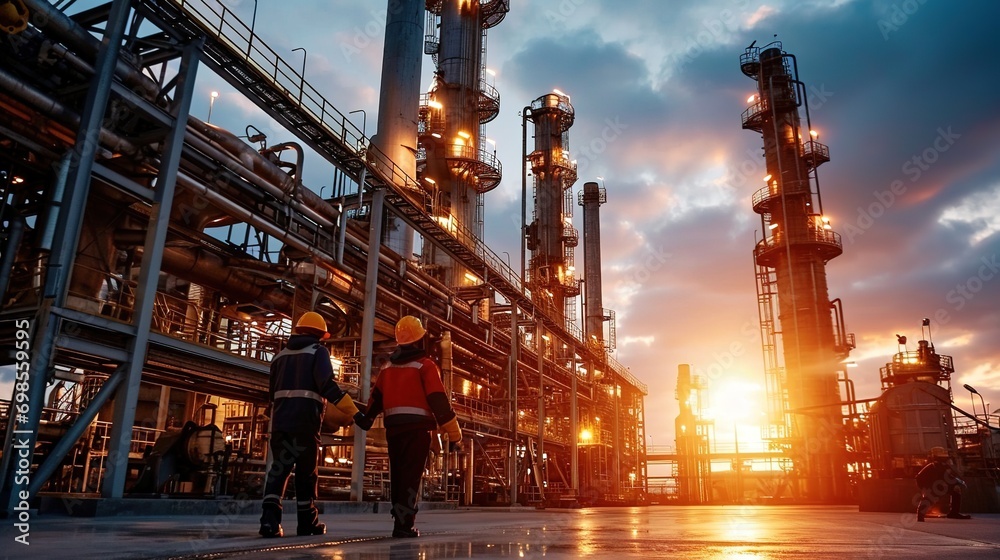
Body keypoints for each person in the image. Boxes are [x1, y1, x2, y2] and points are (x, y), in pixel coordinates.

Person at [259, 311, 373, 538]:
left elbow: (271, 394)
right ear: (320, 335)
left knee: (278, 473)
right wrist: (356, 414)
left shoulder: (279, 356)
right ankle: (307, 524)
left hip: (280, 424)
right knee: (306, 475)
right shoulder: (318, 352)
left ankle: (268, 523)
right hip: (305, 424)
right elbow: (328, 387)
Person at [362, 315, 462, 538]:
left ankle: (399, 518)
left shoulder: (387, 367)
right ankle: (404, 524)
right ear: (420, 341)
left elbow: (375, 399)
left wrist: (366, 419)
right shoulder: (425, 366)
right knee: (411, 476)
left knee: (398, 474)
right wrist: (455, 434)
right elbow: (439, 401)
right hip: (417, 431)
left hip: (394, 430)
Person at [915, 446, 970, 521]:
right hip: (930, 485)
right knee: (929, 496)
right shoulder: (934, 466)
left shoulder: (943, 465)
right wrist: (925, 488)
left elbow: (951, 475)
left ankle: (954, 513)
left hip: (939, 485)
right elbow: (919, 478)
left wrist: (959, 481)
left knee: (956, 489)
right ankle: (920, 515)